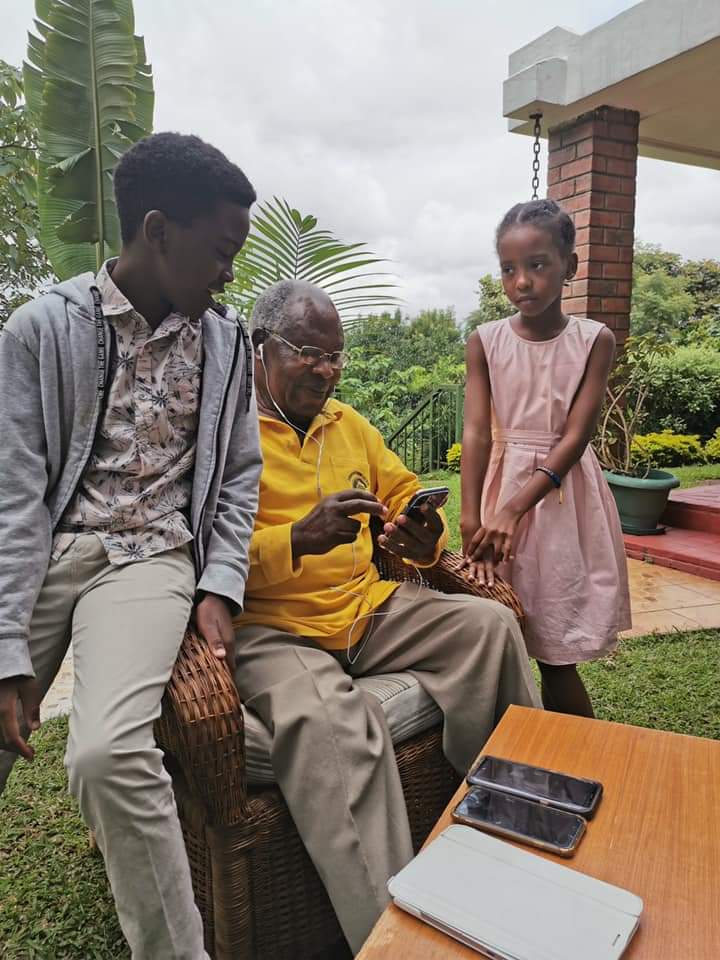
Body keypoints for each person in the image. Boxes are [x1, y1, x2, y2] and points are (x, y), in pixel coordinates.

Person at [0, 133, 262, 959]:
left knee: (109, 754)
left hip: (149, 560)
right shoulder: (42, 330)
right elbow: (12, 496)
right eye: (221, 251)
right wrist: (6, 644)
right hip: (48, 550)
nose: (229, 272)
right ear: (157, 231)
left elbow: (239, 478)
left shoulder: (226, 346)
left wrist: (219, 584)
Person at [233, 278, 541, 955]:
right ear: (261, 348)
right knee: (336, 723)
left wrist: (420, 534)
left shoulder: (350, 426)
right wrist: (296, 539)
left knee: (488, 629)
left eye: (335, 355)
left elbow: (406, 495)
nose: (326, 369)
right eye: (309, 352)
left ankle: (505, 830)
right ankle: (395, 938)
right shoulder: (224, 437)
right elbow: (199, 556)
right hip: (272, 631)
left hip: (367, 610)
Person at [458, 198, 631, 718]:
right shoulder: (484, 342)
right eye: (509, 269)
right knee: (499, 636)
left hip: (559, 503)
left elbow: (575, 438)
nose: (522, 282)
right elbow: (476, 434)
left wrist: (515, 508)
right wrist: (473, 515)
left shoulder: (593, 341)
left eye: (537, 265)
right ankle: (525, 753)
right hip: (497, 492)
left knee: (555, 653)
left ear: (569, 267)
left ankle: (582, 756)